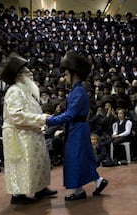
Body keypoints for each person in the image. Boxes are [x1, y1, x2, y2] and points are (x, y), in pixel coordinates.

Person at [46, 51, 109, 201]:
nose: (64, 78)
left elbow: (69, 115)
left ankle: (84, 188)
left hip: (77, 129)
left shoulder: (78, 92)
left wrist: (49, 120)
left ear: (74, 75)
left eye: (67, 75)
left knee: (76, 158)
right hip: (76, 128)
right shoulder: (76, 91)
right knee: (80, 158)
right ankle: (93, 184)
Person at [0, 53, 57, 205]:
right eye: (27, 71)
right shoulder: (14, 91)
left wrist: (39, 122)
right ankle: (17, 196)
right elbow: (16, 116)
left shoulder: (25, 90)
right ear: (18, 75)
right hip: (18, 135)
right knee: (21, 164)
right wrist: (41, 119)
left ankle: (40, 189)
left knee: (39, 162)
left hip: (31, 132)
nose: (31, 73)